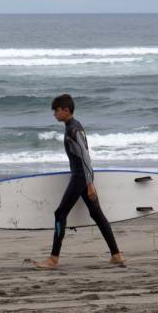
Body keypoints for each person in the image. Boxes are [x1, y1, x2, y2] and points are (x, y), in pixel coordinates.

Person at [33, 94, 125, 269]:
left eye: (56, 110)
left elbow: (85, 157)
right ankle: (116, 254)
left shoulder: (73, 130)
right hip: (81, 177)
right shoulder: (74, 126)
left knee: (60, 214)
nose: (54, 114)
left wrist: (89, 183)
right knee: (97, 214)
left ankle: (53, 259)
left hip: (80, 178)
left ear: (66, 110)